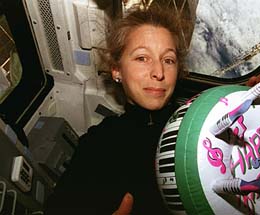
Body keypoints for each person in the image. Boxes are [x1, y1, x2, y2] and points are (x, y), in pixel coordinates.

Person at [45, 5, 188, 215]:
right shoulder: (100, 142)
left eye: (168, 60)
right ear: (117, 70)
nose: (159, 72)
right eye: (142, 58)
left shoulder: (199, 120)